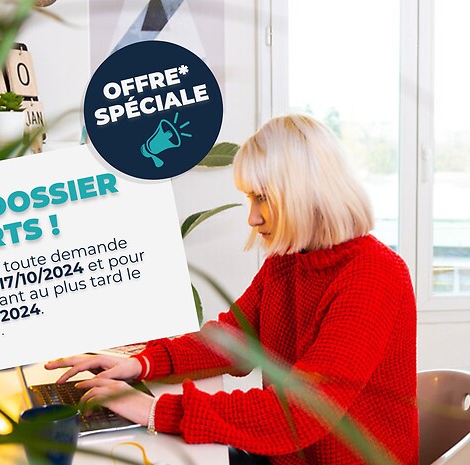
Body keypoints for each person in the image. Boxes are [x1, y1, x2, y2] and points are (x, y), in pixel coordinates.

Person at [45, 115, 418, 465]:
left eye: (262, 198)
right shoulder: (287, 262)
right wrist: (140, 362)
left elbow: (302, 413)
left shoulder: (373, 274)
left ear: (305, 193)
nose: (252, 218)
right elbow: (231, 340)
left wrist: (156, 410)